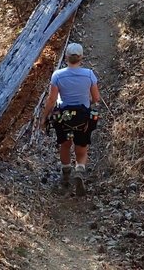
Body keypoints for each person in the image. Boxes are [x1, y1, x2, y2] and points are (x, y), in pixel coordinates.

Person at [40, 42, 100, 195]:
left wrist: (44, 117)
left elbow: (52, 99)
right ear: (81, 57)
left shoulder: (58, 75)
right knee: (81, 147)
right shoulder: (89, 74)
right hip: (83, 117)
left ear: (66, 57)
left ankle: (66, 173)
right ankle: (79, 171)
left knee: (65, 145)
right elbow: (96, 98)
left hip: (63, 117)